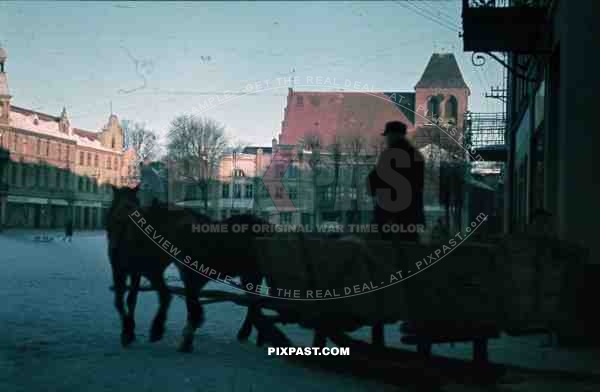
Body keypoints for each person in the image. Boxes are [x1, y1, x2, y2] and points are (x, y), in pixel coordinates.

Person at [367, 121, 425, 243]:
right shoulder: (416, 155)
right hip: (410, 212)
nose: (386, 139)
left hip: (389, 212)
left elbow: (374, 178)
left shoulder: (389, 155)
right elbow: (418, 185)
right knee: (409, 245)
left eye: (388, 135)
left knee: (382, 246)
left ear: (394, 135)